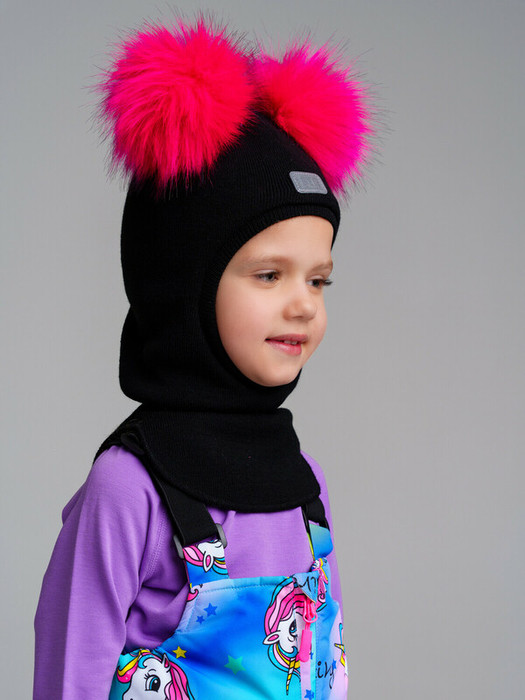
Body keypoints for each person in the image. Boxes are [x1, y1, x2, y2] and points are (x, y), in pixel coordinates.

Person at [33, 15, 373, 699]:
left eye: (318, 280)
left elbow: (326, 667)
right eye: (268, 275)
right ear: (184, 285)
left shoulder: (303, 485)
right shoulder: (129, 488)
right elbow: (70, 673)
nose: (303, 304)